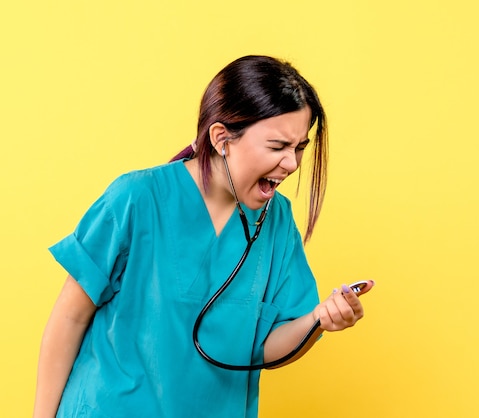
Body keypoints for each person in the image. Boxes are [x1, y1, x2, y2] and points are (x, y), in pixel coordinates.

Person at [33, 55, 370, 418]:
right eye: (278, 147)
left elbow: (265, 348)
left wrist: (319, 319)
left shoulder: (278, 222)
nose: (292, 164)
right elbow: (69, 319)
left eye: (299, 147)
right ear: (221, 138)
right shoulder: (137, 198)